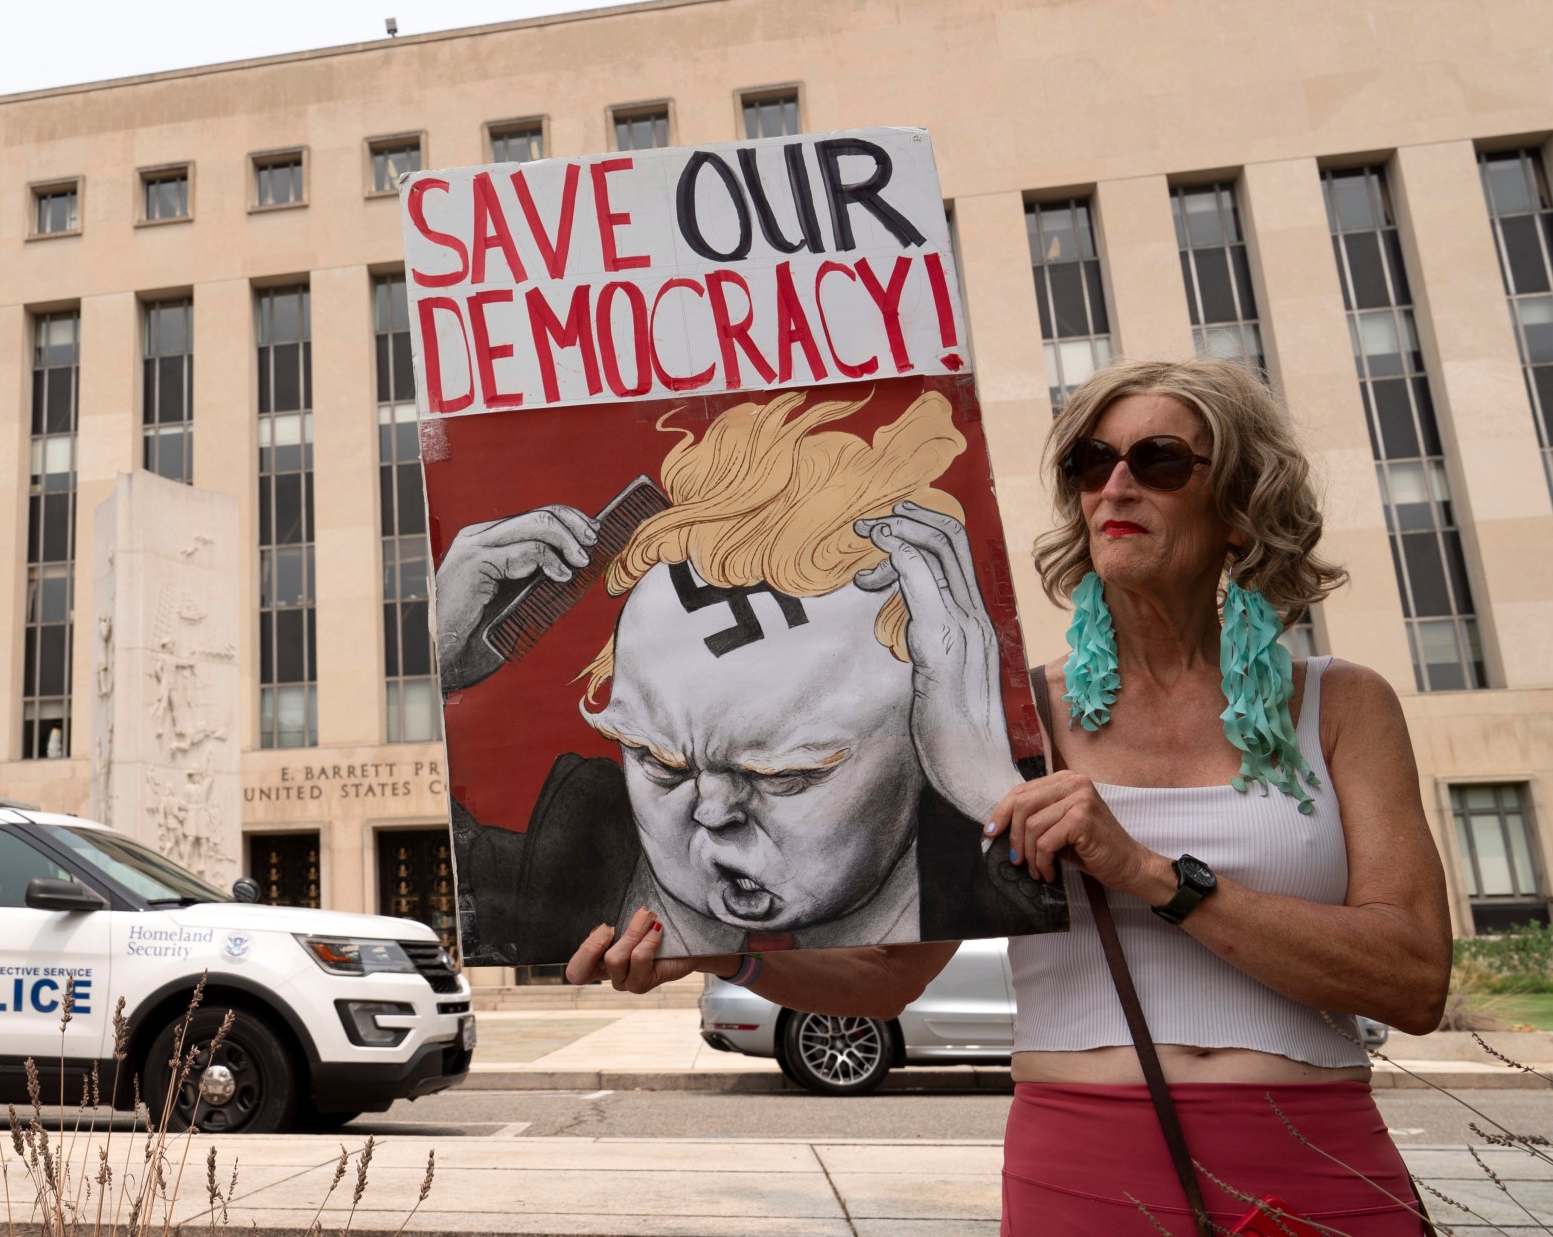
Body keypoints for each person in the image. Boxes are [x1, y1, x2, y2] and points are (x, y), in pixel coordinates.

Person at [567, 357, 1451, 1235]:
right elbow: (888, 980)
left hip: (1316, 1158)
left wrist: (1150, 874)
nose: (1115, 487)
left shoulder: (1342, 704)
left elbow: (1412, 982)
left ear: (1239, 511)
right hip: (1084, 1167)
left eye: (1160, 462)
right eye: (1089, 465)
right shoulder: (1007, 721)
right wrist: (716, 954)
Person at [444, 387, 1062, 963]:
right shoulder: (550, 883)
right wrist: (443, 665)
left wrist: (987, 792)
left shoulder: (989, 862)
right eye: (659, 762)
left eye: (785, 775)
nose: (713, 814)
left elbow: (1093, 910)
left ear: (926, 731)